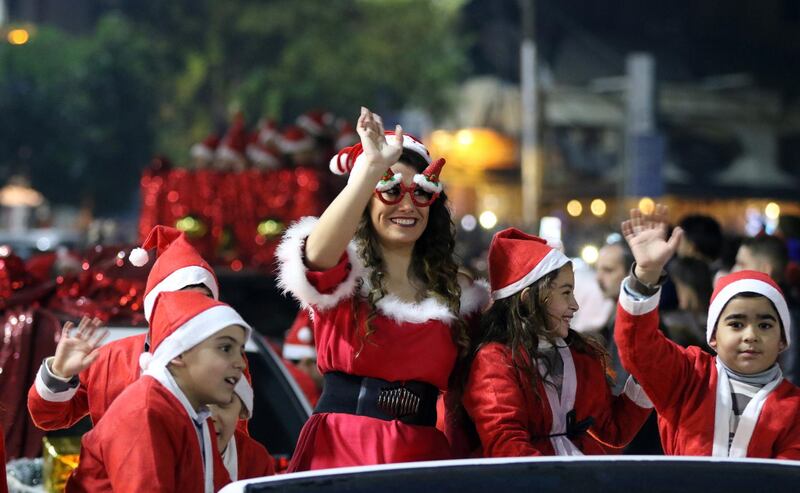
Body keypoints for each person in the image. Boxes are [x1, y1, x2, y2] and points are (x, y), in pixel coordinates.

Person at [275, 107, 489, 470]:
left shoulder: (456, 291)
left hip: (424, 457)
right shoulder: (345, 275)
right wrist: (371, 168)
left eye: (420, 193)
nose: (407, 205)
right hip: (345, 450)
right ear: (365, 201)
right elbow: (315, 255)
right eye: (390, 191)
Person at [614, 204, 800, 458]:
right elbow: (638, 348)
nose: (750, 335)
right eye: (736, 324)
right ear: (712, 336)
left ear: (783, 340)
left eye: (765, 325)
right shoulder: (688, 377)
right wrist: (646, 275)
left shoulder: (794, 408)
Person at [462, 228, 653, 456]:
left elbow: (614, 431)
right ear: (528, 300)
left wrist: (645, 378)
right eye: (566, 293)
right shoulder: (494, 360)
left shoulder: (578, 354)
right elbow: (505, 442)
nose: (575, 305)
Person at [28, 226, 220, 430]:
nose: (192, 308)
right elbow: (48, 418)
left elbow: (237, 448)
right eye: (181, 298)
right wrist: (58, 373)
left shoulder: (226, 362)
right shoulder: (109, 360)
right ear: (155, 306)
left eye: (203, 299)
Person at [66, 291, 250, 492]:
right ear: (179, 354)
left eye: (240, 350)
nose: (240, 363)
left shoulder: (193, 413)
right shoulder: (145, 412)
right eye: (225, 348)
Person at [209, 378, 275, 481]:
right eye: (199, 403)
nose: (210, 417)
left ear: (243, 410)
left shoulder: (255, 460)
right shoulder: (176, 447)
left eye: (223, 402)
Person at [594, 240, 635, 393]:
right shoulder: (616, 313)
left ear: (631, 274)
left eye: (608, 270)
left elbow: (621, 387)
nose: (598, 278)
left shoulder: (633, 322)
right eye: (597, 270)